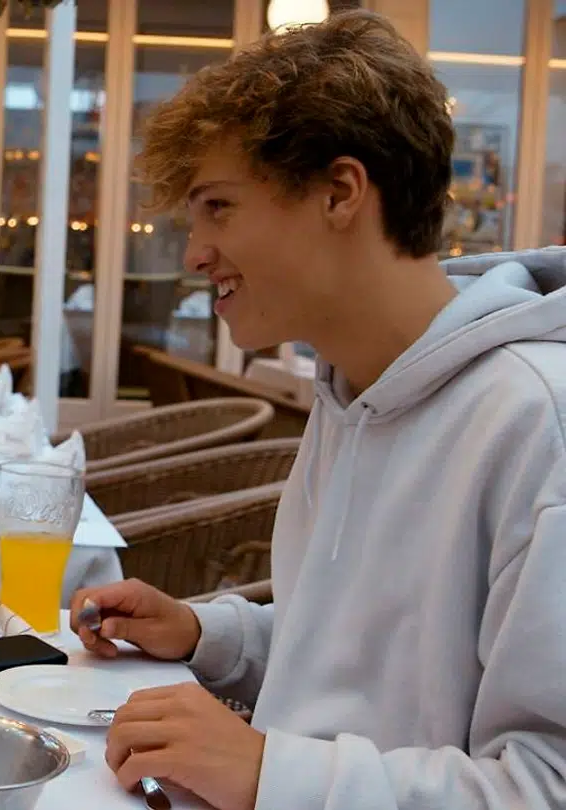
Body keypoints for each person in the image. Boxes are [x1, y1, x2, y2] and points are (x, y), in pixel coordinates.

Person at [69, 11, 566, 810]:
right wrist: (209, 636)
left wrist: (270, 773)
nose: (194, 252)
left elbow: (545, 784)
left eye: (218, 207)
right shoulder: (354, 392)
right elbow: (371, 667)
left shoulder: (537, 424)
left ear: (340, 192)